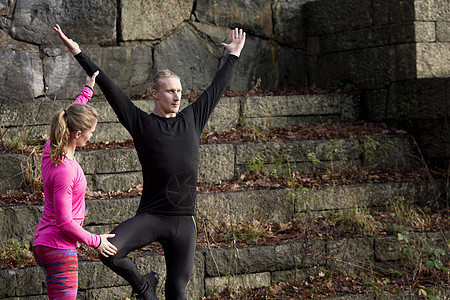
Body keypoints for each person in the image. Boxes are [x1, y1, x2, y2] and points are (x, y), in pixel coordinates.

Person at [53, 24, 246, 300]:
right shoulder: (141, 123)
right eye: (170, 91)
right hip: (152, 216)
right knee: (111, 252)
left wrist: (234, 55)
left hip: (183, 222)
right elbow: (109, 86)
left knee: (177, 292)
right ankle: (144, 287)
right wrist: (78, 52)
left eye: (179, 91)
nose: (177, 96)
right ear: (155, 94)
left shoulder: (192, 119)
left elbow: (217, 87)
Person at [32, 70, 118, 300]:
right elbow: (64, 221)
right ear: (77, 134)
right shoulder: (65, 171)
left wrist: (88, 89)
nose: (91, 136)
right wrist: (95, 241)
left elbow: (71, 114)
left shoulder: (51, 148)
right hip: (58, 248)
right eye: (90, 132)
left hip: (46, 244)